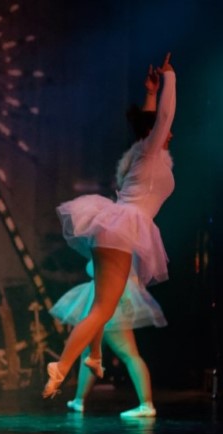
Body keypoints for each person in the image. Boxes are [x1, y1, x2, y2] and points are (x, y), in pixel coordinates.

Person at [44, 52, 176, 398]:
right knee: (103, 307)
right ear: (153, 133)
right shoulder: (149, 151)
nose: (170, 132)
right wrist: (170, 78)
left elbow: (151, 121)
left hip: (117, 227)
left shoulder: (150, 155)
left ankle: (93, 356)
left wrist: (150, 92)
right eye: (163, 131)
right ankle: (61, 367)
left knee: (103, 304)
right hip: (121, 227)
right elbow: (163, 117)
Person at [50, 261, 165, 417]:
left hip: (109, 310)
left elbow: (119, 276)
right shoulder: (108, 252)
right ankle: (79, 400)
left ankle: (146, 404)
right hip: (100, 308)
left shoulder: (113, 252)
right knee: (89, 355)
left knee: (130, 355)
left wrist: (126, 301)